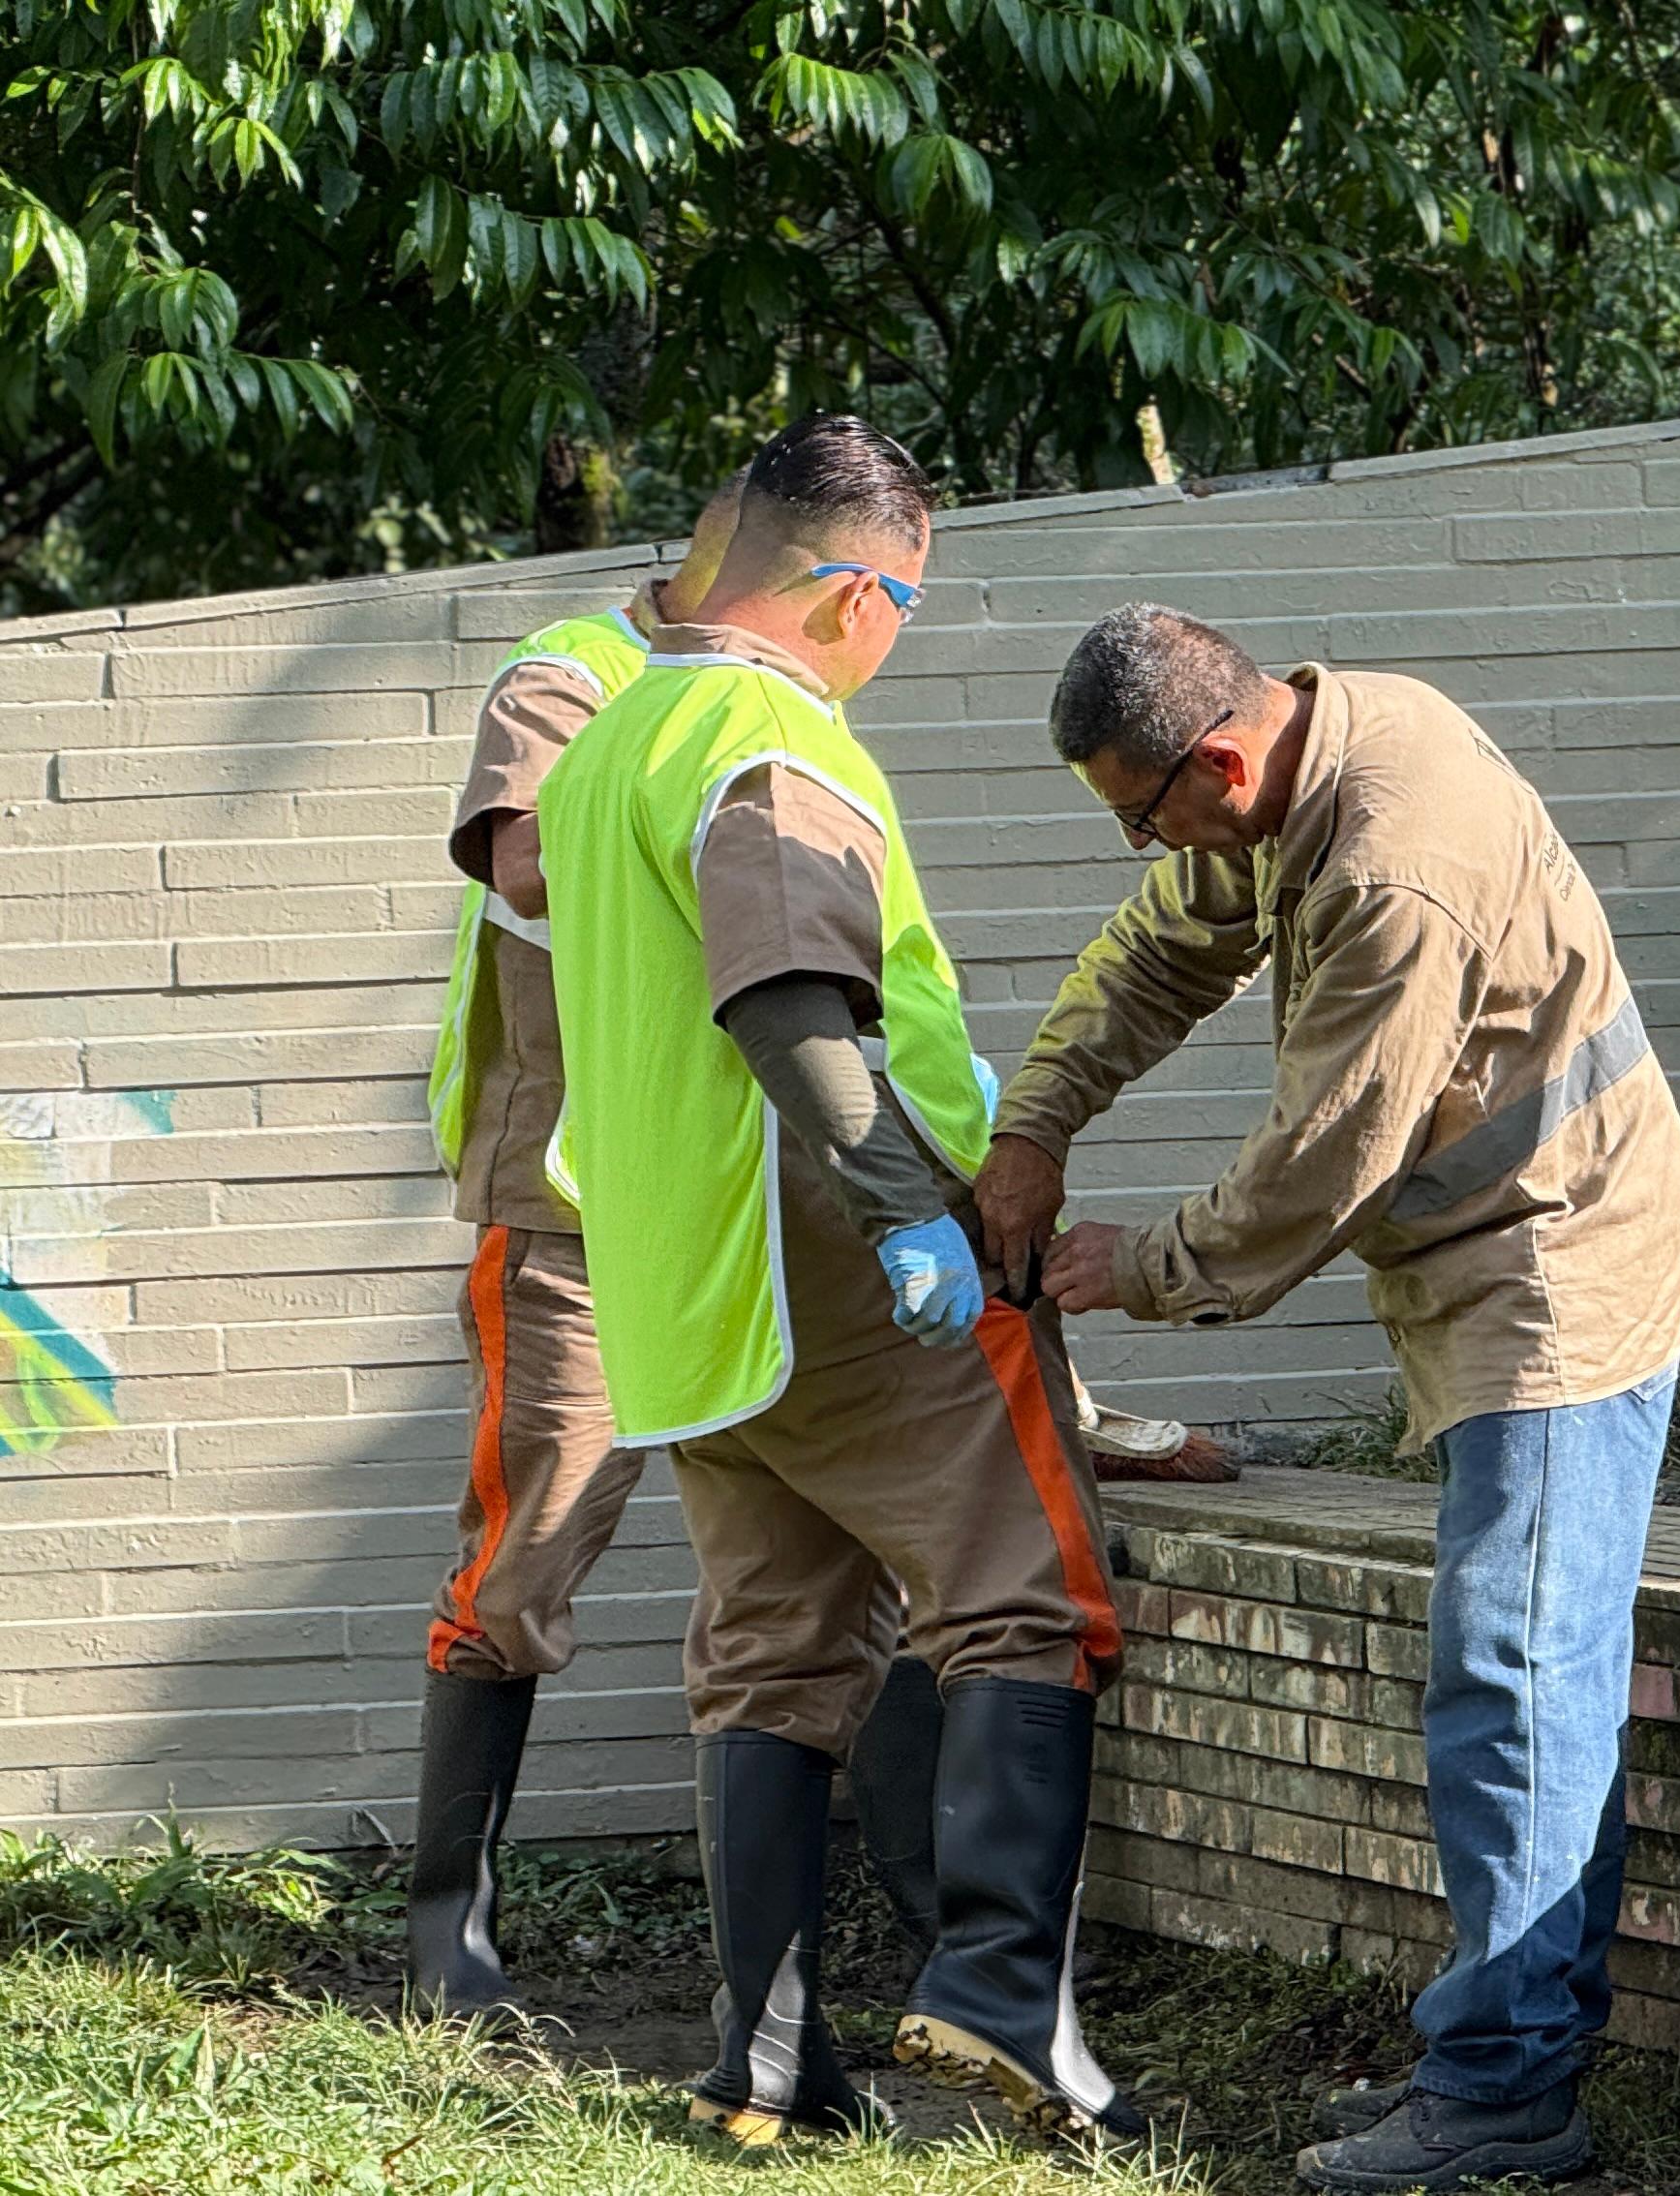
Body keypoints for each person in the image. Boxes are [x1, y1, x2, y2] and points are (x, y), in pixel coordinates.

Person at [975, 605, 1680, 2194]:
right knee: (1542, 1674)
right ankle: (1516, 2057)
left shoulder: (1394, 863)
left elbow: (1329, 1155)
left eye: (1141, 810)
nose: (1142, 844)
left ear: (1222, 761)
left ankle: (1507, 2099)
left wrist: (1143, 1262)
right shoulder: (1301, 767)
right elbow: (1168, 941)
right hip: (1494, 1253)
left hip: (1558, 1270)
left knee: (1513, 1674)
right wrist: (1037, 1119)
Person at [537, 415, 1133, 2147]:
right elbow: (788, 993)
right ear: (850, 590)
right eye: (908, 606)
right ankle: (1001, 2000)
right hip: (850, 1264)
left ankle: (768, 2069)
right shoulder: (758, 730)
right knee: (1024, 1593)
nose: (899, 641)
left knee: (772, 1658)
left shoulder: (612, 737)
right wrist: (907, 1212)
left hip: (694, 1286)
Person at [404, 481, 956, 2018]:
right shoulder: (574, 676)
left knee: (873, 1573)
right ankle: (451, 1939)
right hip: (576, 1208)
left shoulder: (774, 710)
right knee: (531, 1548)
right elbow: (526, 870)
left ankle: (919, 1942)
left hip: (761, 1215)